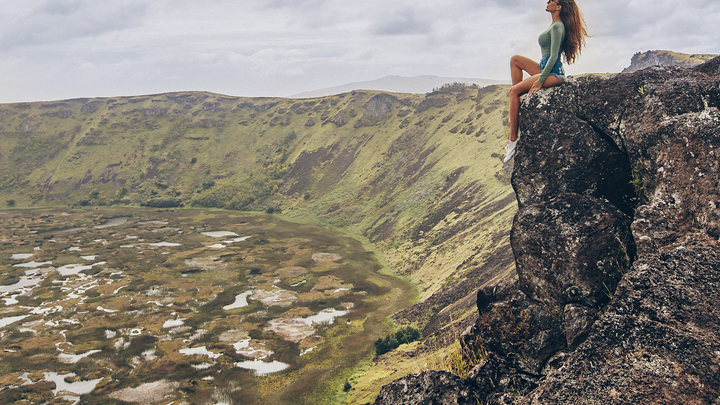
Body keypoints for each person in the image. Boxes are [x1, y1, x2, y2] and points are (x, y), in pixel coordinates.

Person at [503, 0, 589, 164]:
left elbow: (555, 56)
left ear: (558, 7)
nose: (548, 2)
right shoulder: (554, 25)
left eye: (552, 1)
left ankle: (513, 140)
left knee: (512, 92)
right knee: (515, 60)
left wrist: (540, 80)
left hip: (554, 73)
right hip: (545, 68)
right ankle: (518, 104)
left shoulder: (558, 27)